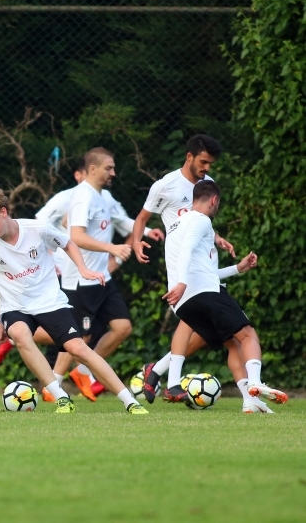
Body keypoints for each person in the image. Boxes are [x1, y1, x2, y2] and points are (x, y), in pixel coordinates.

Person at [0, 187, 148, 415]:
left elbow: (68, 243)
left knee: (78, 349)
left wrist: (83, 269)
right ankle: (61, 397)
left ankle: (129, 401)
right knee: (21, 335)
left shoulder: (37, 229)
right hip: (15, 307)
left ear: (3, 211)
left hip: (50, 302)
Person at [130, 135, 241, 404]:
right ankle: (173, 383)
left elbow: (201, 221)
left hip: (205, 263)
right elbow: (143, 218)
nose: (207, 168)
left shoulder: (208, 185)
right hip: (182, 264)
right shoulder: (165, 185)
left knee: (205, 333)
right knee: (192, 318)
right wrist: (136, 242)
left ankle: (155, 370)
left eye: (211, 163)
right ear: (189, 156)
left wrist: (216, 238)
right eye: (204, 162)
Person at [161, 180, 286, 411]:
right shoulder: (201, 220)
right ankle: (256, 384)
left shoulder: (176, 225)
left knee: (232, 343)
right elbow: (188, 252)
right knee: (248, 336)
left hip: (184, 303)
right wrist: (182, 283)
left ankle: (250, 401)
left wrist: (237, 269)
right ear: (214, 200)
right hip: (202, 291)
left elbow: (201, 269)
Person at [45, 148, 143, 402]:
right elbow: (75, 236)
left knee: (122, 327)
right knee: (79, 336)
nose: (113, 172)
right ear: (92, 169)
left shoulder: (103, 197)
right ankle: (53, 385)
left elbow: (123, 221)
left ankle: (83, 371)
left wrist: (148, 230)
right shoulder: (82, 197)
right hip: (81, 280)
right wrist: (112, 248)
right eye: (109, 168)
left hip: (102, 279)